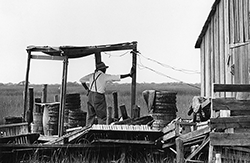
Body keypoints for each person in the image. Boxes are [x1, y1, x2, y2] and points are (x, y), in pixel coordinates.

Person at [79, 61, 133, 126]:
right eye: (105, 69)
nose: (105, 70)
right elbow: (116, 77)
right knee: (102, 116)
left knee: (90, 116)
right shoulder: (103, 76)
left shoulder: (91, 75)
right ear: (102, 69)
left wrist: (87, 89)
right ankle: (102, 131)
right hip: (98, 96)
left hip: (90, 95)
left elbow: (81, 80)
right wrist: (129, 75)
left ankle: (87, 129)